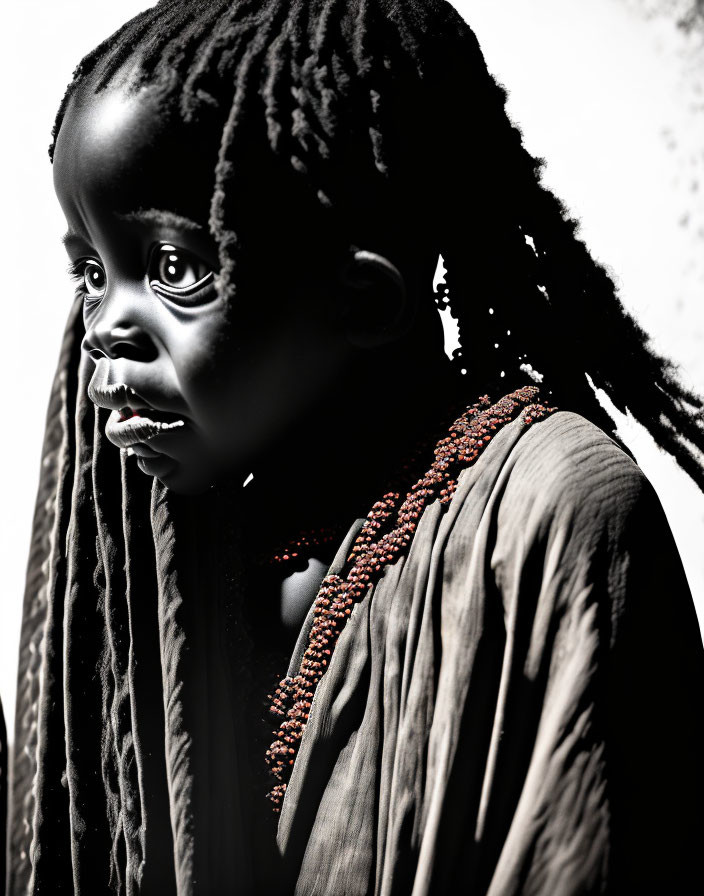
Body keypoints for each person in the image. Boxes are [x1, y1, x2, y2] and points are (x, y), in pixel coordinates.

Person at [7, 0, 704, 893]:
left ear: (362, 301)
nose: (103, 327)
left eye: (174, 265)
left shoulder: (551, 514)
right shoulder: (169, 542)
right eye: (92, 273)